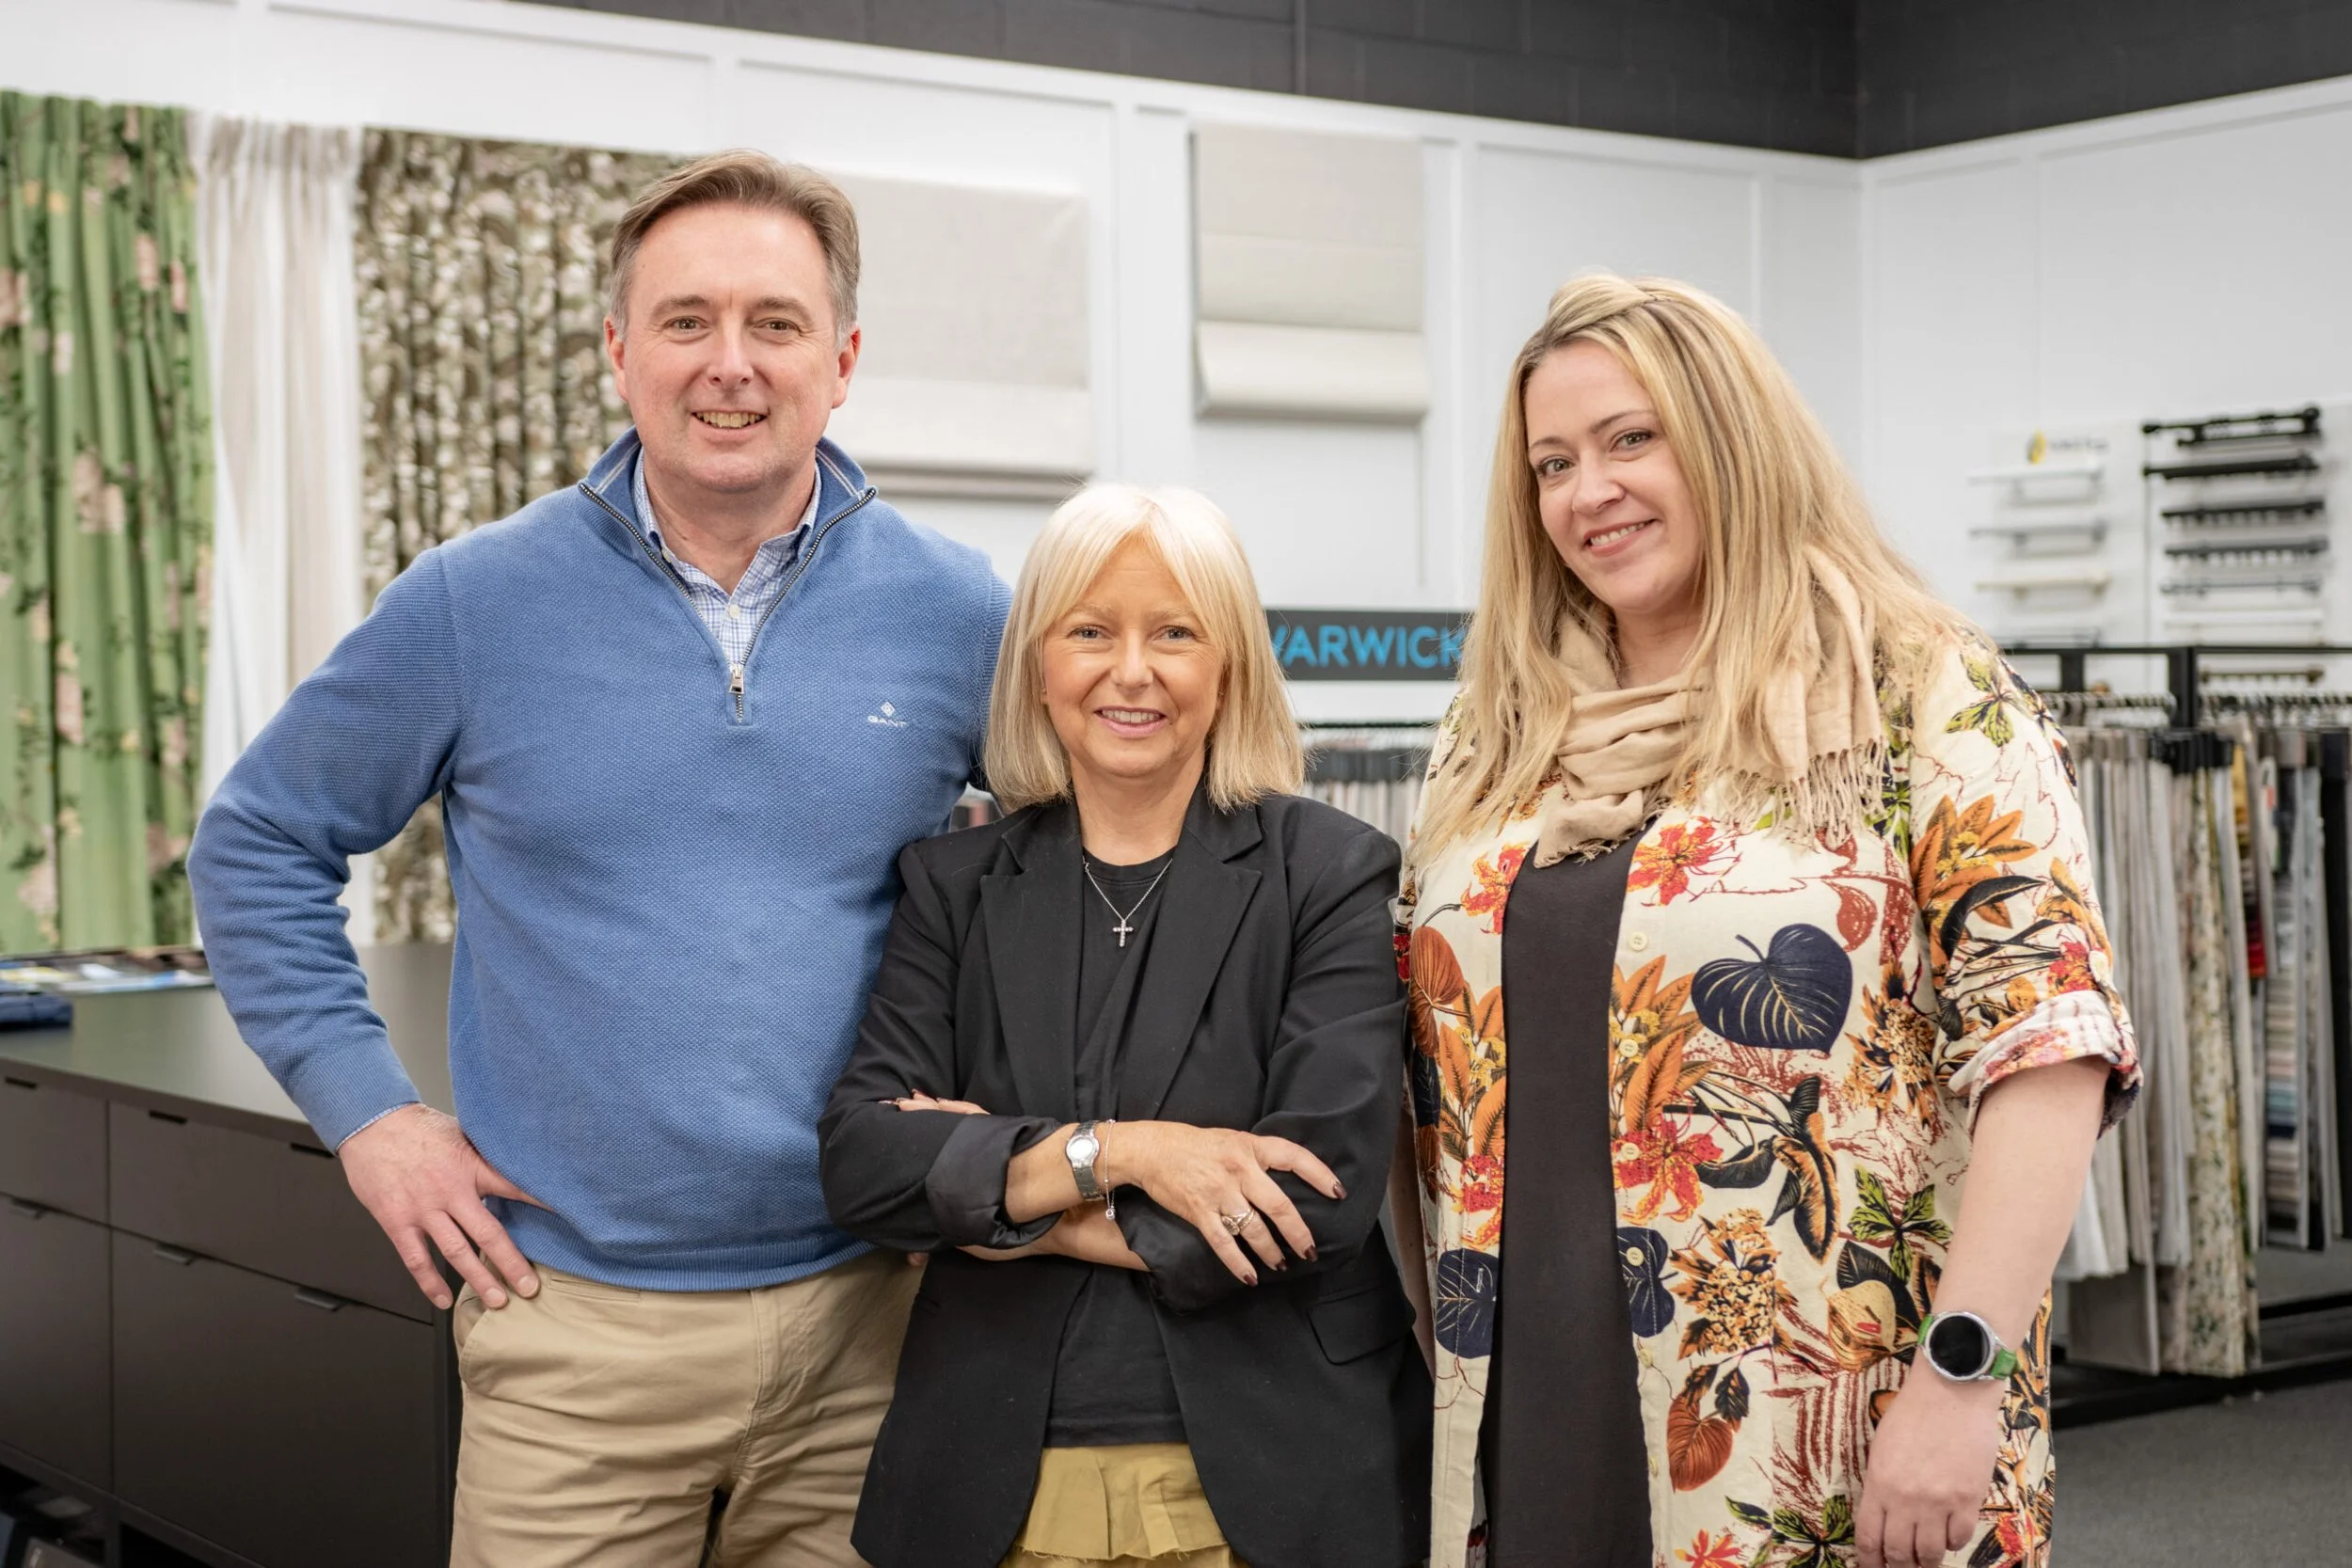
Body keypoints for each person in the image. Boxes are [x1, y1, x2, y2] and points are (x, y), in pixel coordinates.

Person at [187, 150, 1009, 1566]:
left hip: (877, 1325)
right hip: (570, 1338)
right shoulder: (473, 601)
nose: (731, 365)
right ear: (619, 352)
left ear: (844, 358)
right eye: (686, 320)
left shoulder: (958, 611)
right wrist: (370, 1117)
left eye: (776, 322)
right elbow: (256, 840)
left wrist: (1009, 1124)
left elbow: (1095, 863)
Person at [1390, 274, 2141, 1568]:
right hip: (1520, 1406)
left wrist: (1961, 1376)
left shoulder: (1914, 690)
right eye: (1553, 462)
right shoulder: (1497, 728)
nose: (1590, 491)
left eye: (1634, 437)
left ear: (1732, 434)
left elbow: (2051, 1045)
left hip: (1826, 1412)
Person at [818, 483, 1430, 1568]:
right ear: (1039, 666)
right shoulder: (950, 884)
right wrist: (1131, 1153)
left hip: (1281, 1475)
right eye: (1090, 630)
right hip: (995, 1475)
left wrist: (994, 1203)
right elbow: (866, 1162)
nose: (1131, 669)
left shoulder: (1329, 872)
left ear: (1227, 661)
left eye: (1175, 632)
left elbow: (1310, 1204)